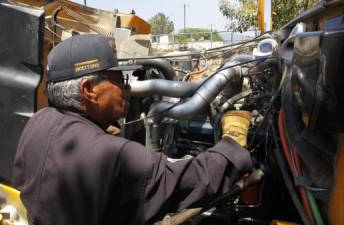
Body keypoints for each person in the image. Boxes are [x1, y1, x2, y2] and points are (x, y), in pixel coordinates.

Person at [13, 34, 254, 225]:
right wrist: (233, 138)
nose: (127, 88)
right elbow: (196, 179)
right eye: (118, 80)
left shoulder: (38, 121)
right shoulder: (115, 155)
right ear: (88, 90)